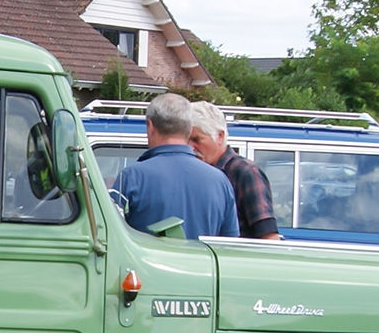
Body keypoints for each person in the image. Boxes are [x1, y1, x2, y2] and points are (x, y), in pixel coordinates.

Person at [113, 93, 239, 240]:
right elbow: (229, 245)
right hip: (201, 263)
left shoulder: (130, 178)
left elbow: (109, 237)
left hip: (147, 263)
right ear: (189, 128)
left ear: (150, 126)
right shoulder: (221, 182)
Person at [188, 101, 282, 240]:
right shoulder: (193, 174)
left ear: (219, 136)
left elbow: (269, 237)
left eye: (196, 139)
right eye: (186, 139)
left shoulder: (246, 173)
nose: (190, 147)